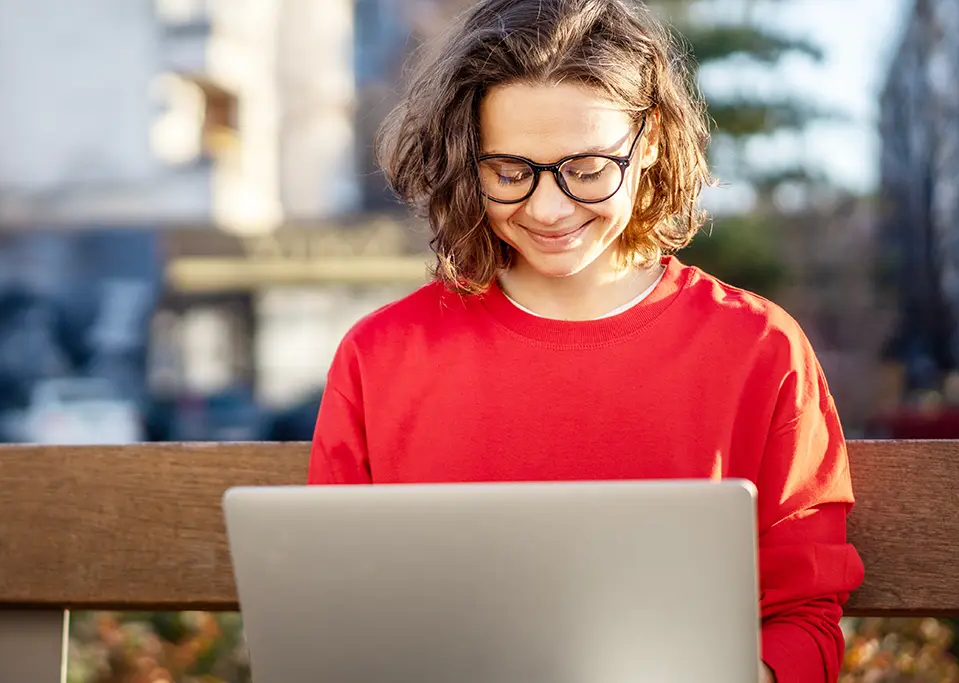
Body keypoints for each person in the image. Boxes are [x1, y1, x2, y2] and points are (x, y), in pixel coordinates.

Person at [306, 1, 865, 682]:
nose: (549, 209)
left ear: (651, 139)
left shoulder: (760, 350)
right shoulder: (382, 357)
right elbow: (334, 617)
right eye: (510, 172)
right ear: (467, 153)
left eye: (588, 168)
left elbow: (804, 617)